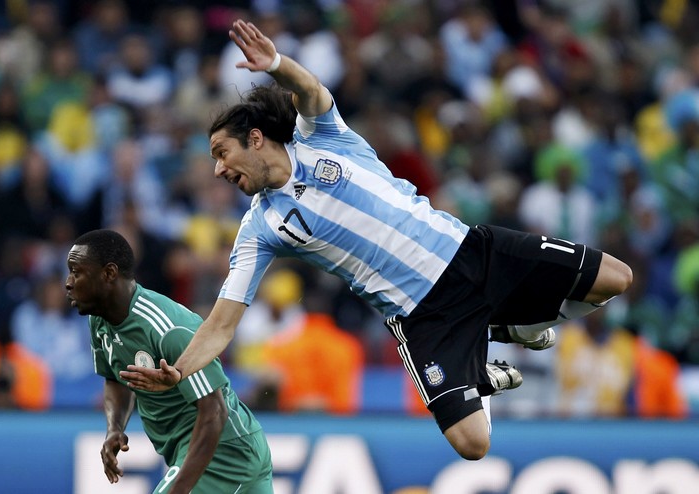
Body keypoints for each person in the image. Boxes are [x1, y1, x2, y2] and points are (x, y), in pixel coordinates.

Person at [121, 19, 633, 461]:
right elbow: (222, 322)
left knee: (616, 279)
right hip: (423, 315)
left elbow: (310, 89)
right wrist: (180, 371)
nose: (216, 169)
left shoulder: (323, 136)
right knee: (473, 444)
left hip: (472, 252)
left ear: (255, 138)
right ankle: (485, 369)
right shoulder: (260, 228)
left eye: (221, 152)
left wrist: (275, 61)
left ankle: (502, 327)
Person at [65, 229, 272, 493]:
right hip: (202, 452)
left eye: (76, 271)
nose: (68, 282)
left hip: (228, 454)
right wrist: (114, 427)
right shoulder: (99, 319)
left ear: (108, 273)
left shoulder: (169, 329)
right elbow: (117, 379)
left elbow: (214, 413)